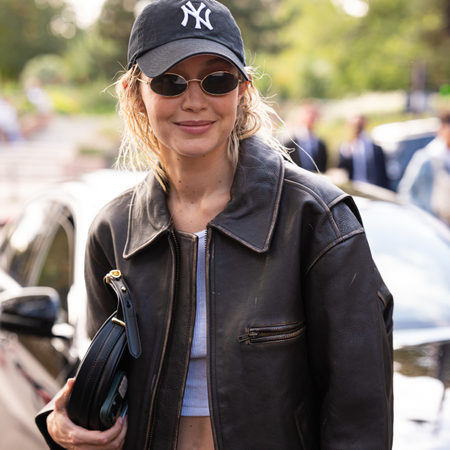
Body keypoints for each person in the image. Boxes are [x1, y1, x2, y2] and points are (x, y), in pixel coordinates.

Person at [37, 1, 393, 449]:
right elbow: (97, 383)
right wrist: (63, 422)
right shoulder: (113, 230)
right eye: (169, 81)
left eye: (217, 79)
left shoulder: (317, 221)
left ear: (242, 90)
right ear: (135, 93)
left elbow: (360, 419)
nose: (194, 101)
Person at [398, 111, 450, 226]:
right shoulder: (427, 157)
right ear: (442, 129)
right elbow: (407, 192)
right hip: (435, 223)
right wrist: (422, 219)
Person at [339, 114, 390, 189]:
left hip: (373, 188)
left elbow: (382, 172)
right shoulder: (344, 147)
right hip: (353, 188)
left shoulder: (373, 147)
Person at [283, 100, 328, 172]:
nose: (311, 118)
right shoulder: (289, 141)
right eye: (308, 114)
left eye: (314, 115)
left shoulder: (320, 144)